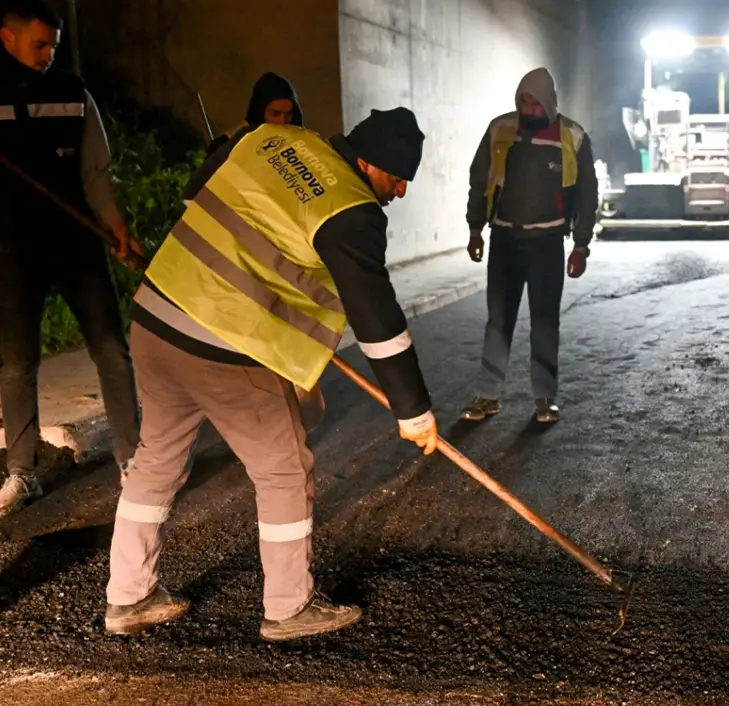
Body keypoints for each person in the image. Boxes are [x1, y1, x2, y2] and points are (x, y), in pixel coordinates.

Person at [104, 107, 439, 642]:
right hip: (224, 344)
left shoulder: (270, 140)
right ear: (370, 163)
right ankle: (289, 607)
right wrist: (413, 410)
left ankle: (129, 595)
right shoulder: (351, 209)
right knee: (284, 470)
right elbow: (375, 314)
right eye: (398, 178)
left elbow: (196, 193)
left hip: (157, 317)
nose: (398, 192)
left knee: (156, 459)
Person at [0, 0, 143, 518]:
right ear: (6, 39)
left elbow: (95, 172)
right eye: (39, 45)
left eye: (53, 47)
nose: (47, 55)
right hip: (14, 250)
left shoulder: (72, 92)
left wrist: (115, 225)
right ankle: (22, 471)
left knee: (110, 346)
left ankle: (133, 458)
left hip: (77, 243)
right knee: (17, 363)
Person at [460, 67, 597, 424]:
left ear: (549, 102)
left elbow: (587, 196)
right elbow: (479, 181)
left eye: (535, 102)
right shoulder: (500, 130)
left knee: (545, 322)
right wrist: (475, 229)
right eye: (523, 100)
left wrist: (581, 245)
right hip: (504, 240)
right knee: (498, 322)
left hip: (547, 244)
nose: (528, 108)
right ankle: (487, 395)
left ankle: (544, 397)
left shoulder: (573, 137)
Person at [206, 72, 302, 156]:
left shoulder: (300, 145)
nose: (283, 121)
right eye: (275, 113)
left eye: (289, 114)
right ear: (260, 110)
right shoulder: (228, 144)